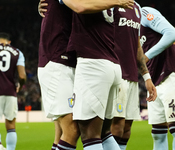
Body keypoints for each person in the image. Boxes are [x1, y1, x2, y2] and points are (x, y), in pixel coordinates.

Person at [57, 0, 149, 149]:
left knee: (90, 136)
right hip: (112, 65)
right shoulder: (109, 3)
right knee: (106, 134)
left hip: (92, 64)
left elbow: (79, 7)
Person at [110, 2, 157, 150]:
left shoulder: (137, 7)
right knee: (116, 126)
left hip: (132, 76)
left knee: (127, 129)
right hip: (116, 73)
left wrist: (147, 77)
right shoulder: (111, 4)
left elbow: (138, 47)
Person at [37, 0, 80, 150]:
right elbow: (81, 7)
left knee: (61, 131)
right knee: (72, 129)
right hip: (57, 63)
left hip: (66, 61)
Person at [140, 6, 175, 150]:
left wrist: (146, 56)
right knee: (158, 134)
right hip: (153, 81)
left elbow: (172, 33)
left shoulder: (144, 13)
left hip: (170, 74)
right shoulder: (123, 25)